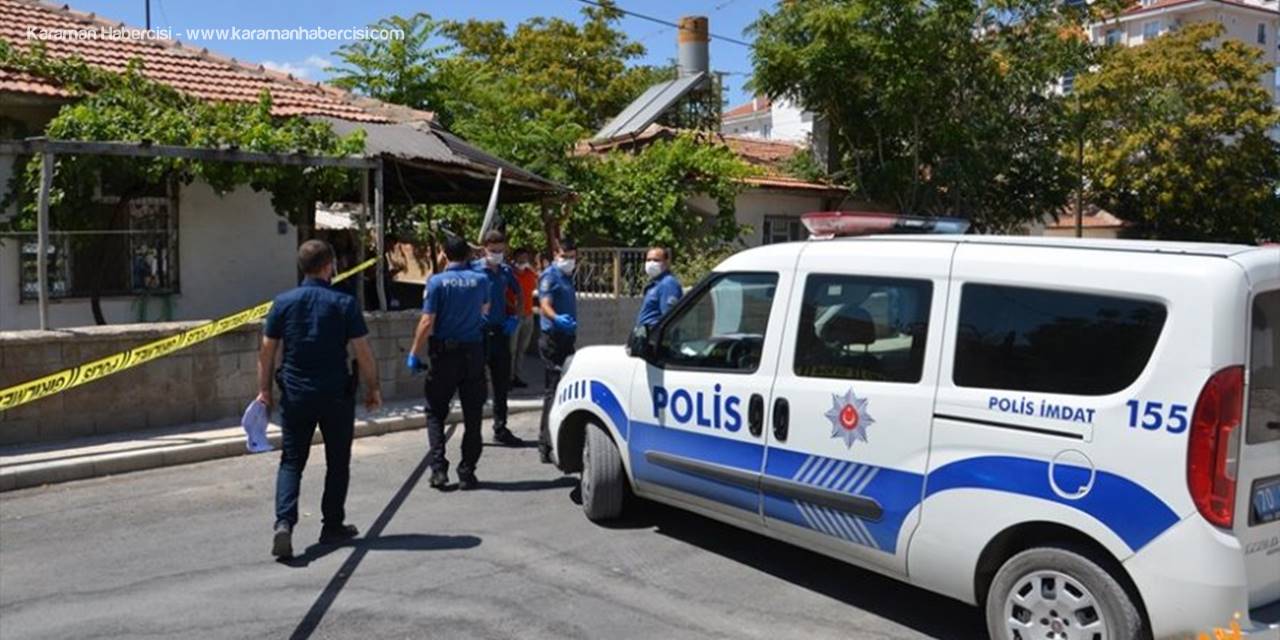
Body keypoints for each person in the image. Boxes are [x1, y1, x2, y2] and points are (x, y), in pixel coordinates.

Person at [257, 239, 381, 559]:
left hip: (296, 394)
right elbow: (363, 351)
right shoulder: (344, 303)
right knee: (337, 461)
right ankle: (332, 525)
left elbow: (267, 351)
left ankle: (284, 523)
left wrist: (265, 391)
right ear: (329, 266)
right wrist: (373, 388)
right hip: (335, 394)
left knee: (291, 461)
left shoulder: (283, 303)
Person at [407, 235, 490, 491]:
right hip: (473, 352)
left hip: (445, 355)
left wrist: (414, 352)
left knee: (435, 412)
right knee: (473, 414)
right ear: (468, 255)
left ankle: (439, 469)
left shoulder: (437, 282)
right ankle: (467, 471)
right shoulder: (481, 280)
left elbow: (427, 321)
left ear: (444, 254)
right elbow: (485, 311)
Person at [473, 231, 524, 446]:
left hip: (501, 332)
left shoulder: (505, 271)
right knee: (476, 384)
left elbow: (519, 294)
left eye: (501, 251)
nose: (497, 254)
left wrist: (516, 317)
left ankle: (500, 427)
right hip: (479, 334)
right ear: (484, 248)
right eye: (493, 251)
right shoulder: (474, 270)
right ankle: (473, 430)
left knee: (501, 384)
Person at [537, 238, 579, 463]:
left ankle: (556, 437)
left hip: (566, 339)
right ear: (555, 254)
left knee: (563, 388)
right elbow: (544, 304)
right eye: (564, 256)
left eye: (572, 256)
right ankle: (545, 443)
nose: (568, 260)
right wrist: (557, 319)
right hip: (553, 339)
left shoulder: (567, 276)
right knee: (553, 389)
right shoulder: (550, 276)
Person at [508, 247, 539, 389]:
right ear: (514, 260)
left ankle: (517, 376)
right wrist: (512, 308)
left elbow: (538, 282)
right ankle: (508, 377)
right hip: (513, 316)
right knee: (511, 349)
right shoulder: (509, 275)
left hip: (528, 315)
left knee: (522, 348)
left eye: (526, 259)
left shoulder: (530, 274)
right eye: (521, 259)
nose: (523, 262)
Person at [634, 246, 683, 332]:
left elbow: (669, 318)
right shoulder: (656, 283)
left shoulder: (668, 284)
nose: (651, 263)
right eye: (648, 260)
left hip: (654, 335)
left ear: (666, 262)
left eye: (656, 260)